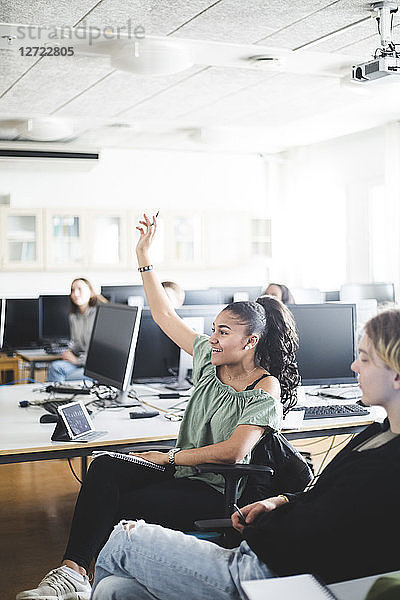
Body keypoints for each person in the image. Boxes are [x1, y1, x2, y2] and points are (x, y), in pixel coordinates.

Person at [16, 214, 300, 600]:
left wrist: (169, 458)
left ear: (250, 342)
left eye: (223, 332)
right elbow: (165, 315)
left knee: (115, 504)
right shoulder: (209, 358)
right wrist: (144, 258)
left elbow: (235, 452)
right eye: (213, 329)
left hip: (215, 488)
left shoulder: (264, 386)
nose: (211, 337)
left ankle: (83, 579)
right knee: (103, 466)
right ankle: (73, 575)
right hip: (186, 472)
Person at [87, 307, 400, 600]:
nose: (353, 366)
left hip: (271, 573)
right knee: (115, 589)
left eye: (365, 359)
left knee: (123, 538)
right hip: (260, 552)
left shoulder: (387, 463)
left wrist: (274, 529)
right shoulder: (376, 434)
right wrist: (279, 501)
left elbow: (333, 536)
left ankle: (73, 580)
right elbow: (322, 497)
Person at [47, 278, 106, 382]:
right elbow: (77, 343)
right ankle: (58, 397)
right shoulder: (74, 316)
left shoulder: (100, 315)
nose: (75, 294)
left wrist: (77, 361)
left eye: (80, 289)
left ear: (91, 293)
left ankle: (61, 397)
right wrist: (69, 351)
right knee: (55, 367)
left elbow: (99, 353)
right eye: (73, 290)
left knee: (65, 376)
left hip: (97, 367)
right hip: (83, 363)